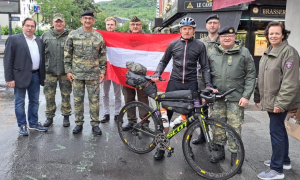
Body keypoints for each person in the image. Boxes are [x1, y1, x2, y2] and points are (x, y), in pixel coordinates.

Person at [151, 17, 213, 160]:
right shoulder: (173, 45)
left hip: (191, 85)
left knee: (189, 119)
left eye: (189, 29)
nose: (187, 31)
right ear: (180, 30)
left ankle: (187, 146)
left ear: (194, 31)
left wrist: (208, 84)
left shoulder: (199, 46)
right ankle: (161, 147)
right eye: (184, 28)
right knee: (166, 116)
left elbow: (205, 67)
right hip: (174, 84)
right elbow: (163, 61)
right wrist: (157, 73)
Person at [206, 26, 256, 173]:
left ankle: (235, 156)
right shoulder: (212, 53)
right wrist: (207, 91)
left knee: (235, 127)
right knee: (217, 126)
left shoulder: (244, 52)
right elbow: (204, 73)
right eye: (223, 36)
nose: (226, 38)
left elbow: (251, 75)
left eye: (230, 36)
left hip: (236, 98)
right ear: (219, 38)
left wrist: (246, 95)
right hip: (217, 97)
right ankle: (219, 151)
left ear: (235, 37)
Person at [255, 22, 300, 180]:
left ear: (283, 34)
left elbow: (290, 82)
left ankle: (277, 169)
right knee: (280, 130)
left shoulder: (289, 53)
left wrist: (280, 104)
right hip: (271, 99)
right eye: (270, 33)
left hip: (279, 101)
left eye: (277, 33)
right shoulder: (269, 51)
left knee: (276, 133)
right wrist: (257, 96)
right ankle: (284, 161)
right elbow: (262, 77)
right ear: (267, 35)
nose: (273, 36)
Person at [64, 11, 106, 135]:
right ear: (81, 20)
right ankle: (78, 123)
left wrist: (103, 71)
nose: (88, 20)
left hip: (93, 74)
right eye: (85, 18)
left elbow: (103, 55)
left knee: (94, 100)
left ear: (93, 21)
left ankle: (95, 124)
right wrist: (68, 71)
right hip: (77, 74)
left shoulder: (98, 37)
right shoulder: (73, 34)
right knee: (78, 100)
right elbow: (67, 54)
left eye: (90, 18)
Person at [3, 18, 47, 135]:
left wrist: (43, 76)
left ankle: (33, 123)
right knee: (19, 102)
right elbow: (8, 60)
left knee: (34, 101)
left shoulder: (39, 40)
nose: (30, 28)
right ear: (23, 26)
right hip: (19, 76)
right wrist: (9, 78)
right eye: (27, 25)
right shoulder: (14, 39)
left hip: (36, 75)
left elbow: (42, 60)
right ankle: (22, 125)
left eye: (32, 26)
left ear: (35, 28)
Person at [193, 14, 221, 145]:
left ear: (219, 25)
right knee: (201, 110)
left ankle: (216, 140)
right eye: (210, 23)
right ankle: (203, 135)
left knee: (216, 112)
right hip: (202, 81)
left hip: (218, 81)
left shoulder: (223, 41)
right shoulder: (200, 43)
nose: (212, 25)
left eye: (215, 23)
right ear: (206, 26)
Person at [41, 13, 72, 127]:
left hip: (65, 72)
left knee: (66, 94)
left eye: (61, 21)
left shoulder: (70, 35)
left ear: (64, 22)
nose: (59, 24)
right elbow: (41, 55)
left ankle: (66, 116)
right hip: (50, 71)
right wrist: (42, 73)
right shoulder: (45, 35)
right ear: (53, 23)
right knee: (49, 95)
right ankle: (49, 117)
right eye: (56, 21)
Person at [122, 16, 148, 131]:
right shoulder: (123, 38)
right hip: (127, 73)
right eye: (133, 24)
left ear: (141, 26)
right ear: (130, 26)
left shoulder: (148, 38)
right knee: (129, 98)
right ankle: (131, 121)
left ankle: (144, 122)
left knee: (143, 98)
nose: (135, 27)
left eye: (137, 24)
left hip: (142, 74)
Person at [100, 17, 122, 123]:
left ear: (115, 26)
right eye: (108, 24)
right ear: (105, 25)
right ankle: (106, 113)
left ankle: (117, 114)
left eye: (112, 24)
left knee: (117, 94)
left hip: (116, 70)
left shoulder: (120, 37)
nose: (110, 26)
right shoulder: (101, 37)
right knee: (105, 93)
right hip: (105, 69)